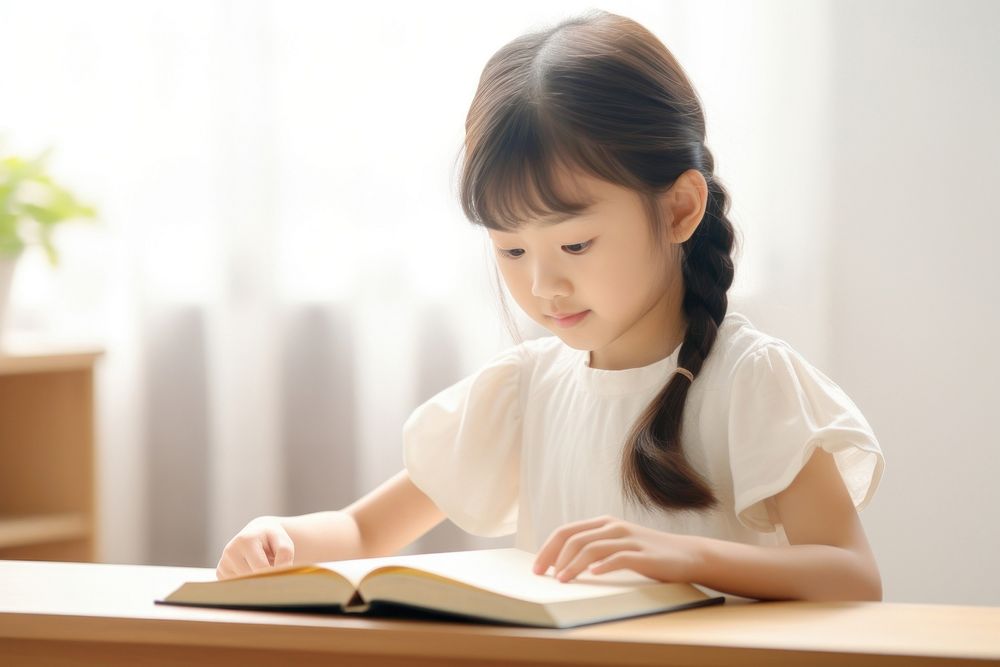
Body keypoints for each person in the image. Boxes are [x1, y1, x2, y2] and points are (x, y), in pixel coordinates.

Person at [216, 10, 884, 601]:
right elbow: (365, 528)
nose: (542, 286)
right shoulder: (526, 391)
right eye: (510, 252)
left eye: (575, 243)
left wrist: (690, 557)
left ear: (679, 207)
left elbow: (853, 576)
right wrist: (283, 538)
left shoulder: (749, 381)